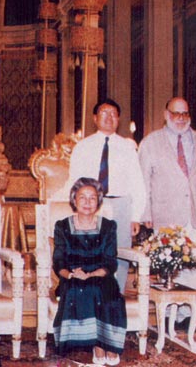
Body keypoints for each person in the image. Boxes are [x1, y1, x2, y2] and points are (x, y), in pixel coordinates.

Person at [138, 97, 196, 326]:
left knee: (193, 263)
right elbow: (143, 181)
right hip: (165, 213)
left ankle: (186, 315)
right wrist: (145, 213)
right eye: (176, 113)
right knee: (169, 264)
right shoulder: (151, 142)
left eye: (184, 113)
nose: (180, 118)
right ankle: (168, 313)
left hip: (195, 213)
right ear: (166, 114)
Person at [69, 98, 146, 293]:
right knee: (90, 250)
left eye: (113, 114)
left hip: (122, 204)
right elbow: (74, 182)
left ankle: (115, 295)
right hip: (92, 205)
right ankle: (90, 294)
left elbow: (137, 183)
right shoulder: (83, 147)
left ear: (119, 119)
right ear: (95, 118)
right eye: (104, 113)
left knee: (120, 253)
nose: (109, 117)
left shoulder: (128, 148)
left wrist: (135, 216)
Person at [53, 177, 126, 366]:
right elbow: (58, 260)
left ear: (99, 201)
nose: (87, 202)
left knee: (104, 290)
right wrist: (70, 274)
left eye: (92, 198)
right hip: (73, 275)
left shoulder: (109, 226)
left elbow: (110, 261)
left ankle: (107, 343)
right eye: (82, 197)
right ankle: (97, 344)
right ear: (74, 200)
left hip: (101, 274)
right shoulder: (62, 226)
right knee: (83, 289)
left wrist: (92, 274)